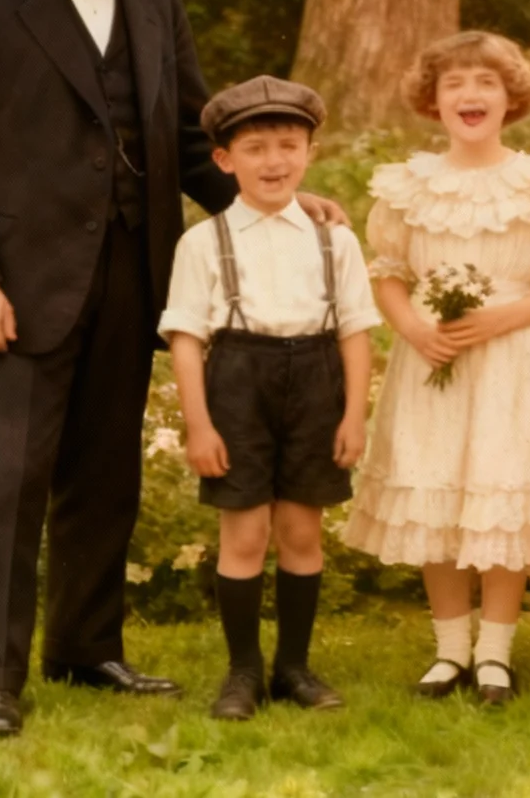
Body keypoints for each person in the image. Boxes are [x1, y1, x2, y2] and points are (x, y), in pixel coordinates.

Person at [0, 0, 345, 739]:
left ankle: (84, 647)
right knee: (6, 483)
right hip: (13, 288)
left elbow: (191, 142)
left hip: (133, 282)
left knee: (104, 479)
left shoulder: (154, 5)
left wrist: (281, 203)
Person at [341, 32, 530, 706]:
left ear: (511, 97)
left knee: (499, 493)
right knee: (438, 489)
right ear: (433, 100)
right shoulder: (407, 187)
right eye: (454, 84)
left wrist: (498, 320)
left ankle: (494, 654)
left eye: (485, 82)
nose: (469, 95)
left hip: (514, 358)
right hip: (433, 360)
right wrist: (415, 328)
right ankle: (450, 650)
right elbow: (390, 274)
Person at [159, 76, 379, 721]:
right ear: (224, 160)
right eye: (255, 148)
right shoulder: (203, 243)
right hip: (237, 382)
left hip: (315, 382)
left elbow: (356, 330)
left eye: (288, 145)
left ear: (309, 152)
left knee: (300, 530)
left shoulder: (335, 239)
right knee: (247, 532)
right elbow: (186, 339)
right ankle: (243, 672)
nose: (274, 161)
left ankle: (294, 667)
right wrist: (199, 426)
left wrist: (352, 415)